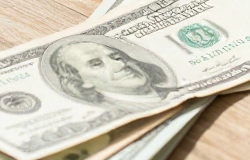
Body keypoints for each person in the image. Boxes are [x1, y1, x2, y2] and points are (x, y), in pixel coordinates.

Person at [45, 36, 175, 111]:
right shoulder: (115, 110)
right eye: (96, 64)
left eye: (117, 57)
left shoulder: (174, 91)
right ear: (81, 81)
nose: (120, 65)